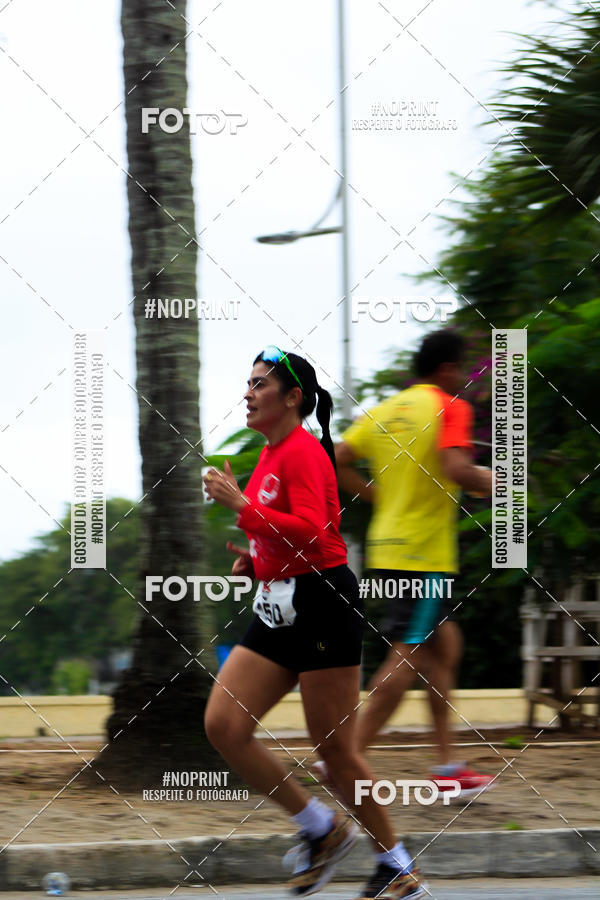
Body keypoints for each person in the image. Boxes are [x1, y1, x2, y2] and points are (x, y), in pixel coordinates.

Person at [203, 346, 428, 899]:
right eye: (247, 383)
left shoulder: (303, 453)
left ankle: (396, 865)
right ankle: (321, 830)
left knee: (334, 750)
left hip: (324, 604)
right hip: (280, 604)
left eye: (259, 384)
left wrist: (241, 504)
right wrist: (255, 561)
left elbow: (315, 533)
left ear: (293, 398)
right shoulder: (270, 454)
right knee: (225, 726)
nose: (248, 393)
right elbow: (286, 538)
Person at [334, 330, 494, 798]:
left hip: (387, 551)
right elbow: (457, 470)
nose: (463, 378)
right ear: (446, 370)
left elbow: (338, 460)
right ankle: (345, 760)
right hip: (422, 556)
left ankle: (446, 766)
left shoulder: (383, 412)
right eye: (460, 369)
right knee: (407, 656)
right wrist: (499, 479)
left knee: (444, 648)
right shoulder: (451, 407)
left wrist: (381, 499)